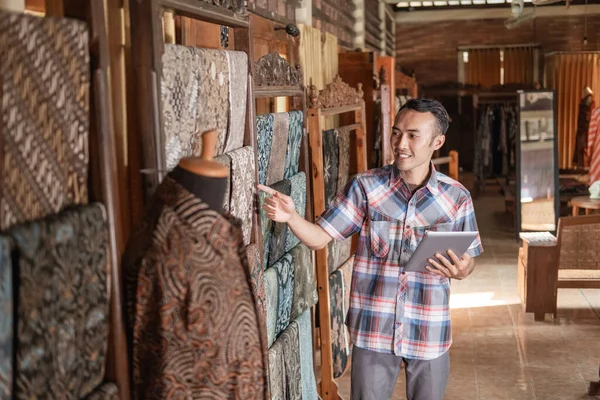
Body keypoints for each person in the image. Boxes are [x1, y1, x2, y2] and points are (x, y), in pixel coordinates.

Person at [258, 98, 483, 400]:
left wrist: (462, 269)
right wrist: (292, 217)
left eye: (413, 135)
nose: (400, 143)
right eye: (396, 132)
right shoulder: (365, 187)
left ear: (437, 141)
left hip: (429, 328)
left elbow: (468, 261)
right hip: (373, 330)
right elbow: (319, 238)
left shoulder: (457, 198)